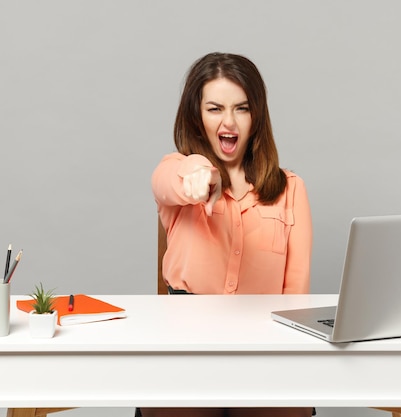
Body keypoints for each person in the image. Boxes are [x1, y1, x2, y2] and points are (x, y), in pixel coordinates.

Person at [145, 52, 313, 417]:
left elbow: (296, 299)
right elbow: (169, 181)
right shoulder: (176, 170)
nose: (229, 121)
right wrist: (201, 173)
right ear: (196, 116)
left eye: (242, 108)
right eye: (215, 108)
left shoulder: (291, 189)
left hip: (264, 345)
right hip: (185, 343)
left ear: (257, 116)